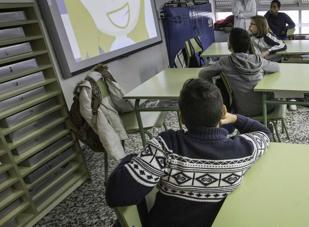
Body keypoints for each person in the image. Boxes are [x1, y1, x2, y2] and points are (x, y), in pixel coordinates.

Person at [106, 79, 271, 227]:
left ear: (182, 117)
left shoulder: (165, 146)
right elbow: (264, 133)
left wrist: (131, 158)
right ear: (223, 112)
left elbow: (116, 195)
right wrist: (234, 118)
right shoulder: (241, 151)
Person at [199, 28, 279, 117]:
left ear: (230, 44)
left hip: (243, 111)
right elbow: (276, 67)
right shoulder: (257, 59)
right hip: (267, 107)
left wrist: (213, 89)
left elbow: (203, 74)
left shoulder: (225, 62)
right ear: (249, 44)